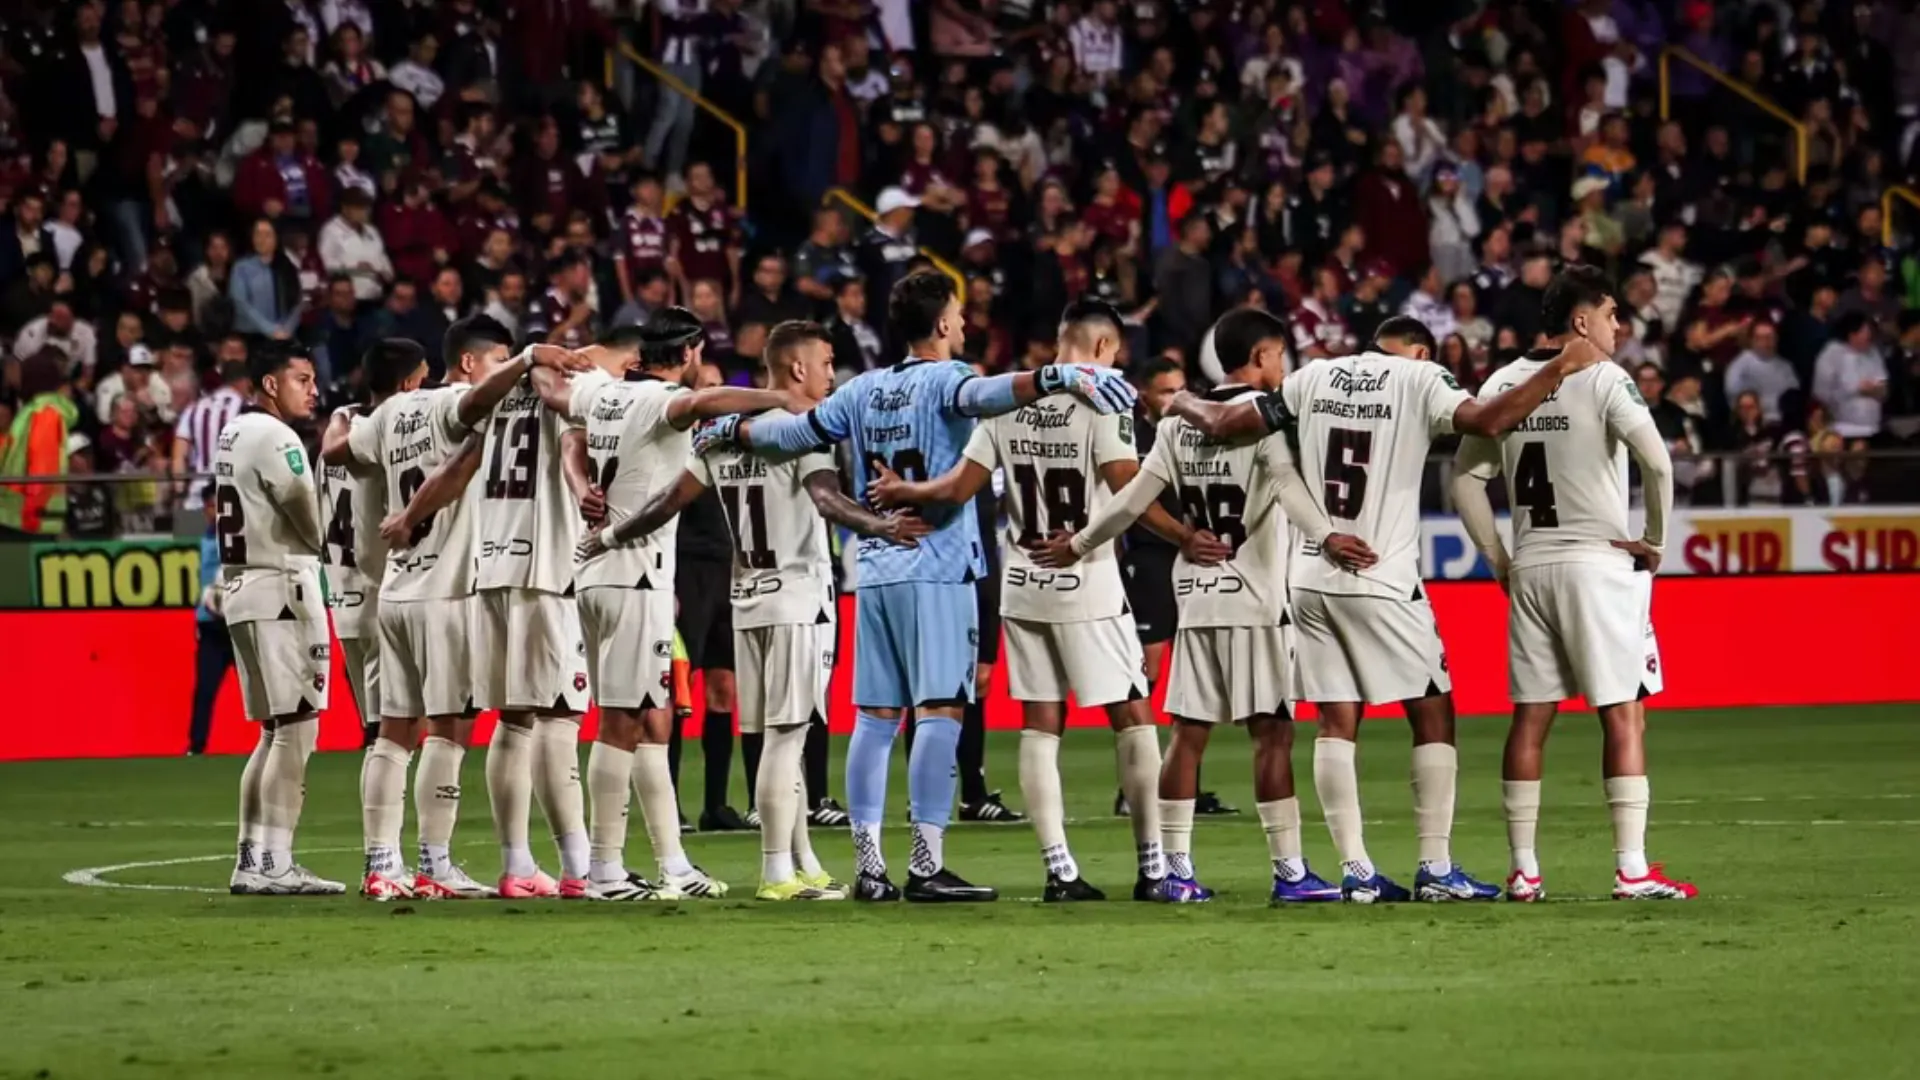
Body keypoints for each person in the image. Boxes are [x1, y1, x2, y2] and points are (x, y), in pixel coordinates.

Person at [693, 270, 1137, 903]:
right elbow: (989, 393)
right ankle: (927, 864)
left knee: (875, 718)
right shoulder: (949, 379)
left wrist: (731, 430)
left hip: (875, 570)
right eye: (958, 312)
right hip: (937, 567)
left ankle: (870, 868)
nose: (964, 321)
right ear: (943, 323)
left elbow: (790, 433)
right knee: (940, 711)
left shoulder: (861, 388)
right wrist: (1058, 376)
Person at [1166, 313, 1606, 902]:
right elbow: (1490, 419)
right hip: (1381, 575)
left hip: (1311, 577)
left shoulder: (1314, 376)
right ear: (1421, 352)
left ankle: (1357, 872)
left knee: (1335, 721)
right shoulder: (1421, 379)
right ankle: (1436, 867)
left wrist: (1179, 401)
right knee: (1433, 710)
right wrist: (1559, 367)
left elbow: (1223, 421)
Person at [871, 301, 1213, 901]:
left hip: (1024, 584)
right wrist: (1184, 536)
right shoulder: (1105, 400)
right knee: (1133, 715)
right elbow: (1129, 493)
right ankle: (1154, 868)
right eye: (1116, 352)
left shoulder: (1007, 400)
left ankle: (1060, 871)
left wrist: (907, 489)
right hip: (1087, 582)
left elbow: (959, 487)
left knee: (1040, 724)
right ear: (1103, 348)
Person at [583, 320, 926, 900]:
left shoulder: (720, 436)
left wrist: (612, 536)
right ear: (797, 368)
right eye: (826, 363)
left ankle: (802, 859)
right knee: (787, 740)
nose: (830, 374)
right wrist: (883, 526)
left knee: (777, 737)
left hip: (747, 598)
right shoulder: (802, 431)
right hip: (797, 599)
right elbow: (827, 500)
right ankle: (776, 873)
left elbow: (668, 501)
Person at [1030, 308, 1359, 902]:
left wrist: (1077, 544)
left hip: (1198, 600)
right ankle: (1290, 872)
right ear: (1260, 357)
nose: (1282, 365)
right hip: (1255, 603)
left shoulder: (1179, 425)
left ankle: (1175, 869)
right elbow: (1289, 489)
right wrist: (1328, 536)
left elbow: (1131, 500)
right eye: (1279, 354)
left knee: (1188, 735)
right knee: (1272, 734)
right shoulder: (1261, 423)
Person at [1450, 264, 1696, 901]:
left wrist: (1500, 560)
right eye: (1612, 315)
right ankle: (1632, 870)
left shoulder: (1503, 382)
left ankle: (1523, 870)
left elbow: (1465, 481)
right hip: (1597, 564)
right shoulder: (1604, 377)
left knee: (1531, 718)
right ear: (1581, 321)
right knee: (1624, 713)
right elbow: (1658, 464)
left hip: (1532, 567)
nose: (1618, 328)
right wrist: (1655, 541)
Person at [326, 325, 585, 900]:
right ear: (468, 363)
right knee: (447, 731)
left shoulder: (390, 413)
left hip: (394, 592)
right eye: (497, 359)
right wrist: (527, 359)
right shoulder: (455, 405)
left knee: (392, 732)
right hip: (447, 593)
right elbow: (470, 416)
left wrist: (342, 417)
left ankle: (380, 864)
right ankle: (433, 864)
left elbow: (337, 452)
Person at [564, 312, 798, 899]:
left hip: (597, 575)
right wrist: (781, 397)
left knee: (651, 720)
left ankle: (673, 863)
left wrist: (580, 485)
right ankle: (603, 870)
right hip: (634, 576)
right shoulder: (662, 400)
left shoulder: (602, 392)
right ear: (690, 351)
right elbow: (701, 403)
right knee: (620, 722)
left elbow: (567, 428)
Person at [215, 342, 339, 896]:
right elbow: (307, 517)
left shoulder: (233, 432)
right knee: (297, 728)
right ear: (271, 384)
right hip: (283, 590)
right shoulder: (278, 437)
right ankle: (277, 863)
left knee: (272, 731)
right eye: (302, 380)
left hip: (244, 587)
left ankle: (251, 859)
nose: (314, 391)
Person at [319, 393, 386, 747]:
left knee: (373, 722)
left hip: (340, 587)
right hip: (377, 584)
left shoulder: (325, 455)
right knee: (389, 727)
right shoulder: (375, 444)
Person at [187, 510, 234, 756]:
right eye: (209, 504)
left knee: (261, 689)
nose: (214, 510)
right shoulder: (206, 541)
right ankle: (196, 746)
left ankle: (280, 740)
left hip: (240, 626)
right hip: (211, 628)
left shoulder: (241, 534)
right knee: (205, 689)